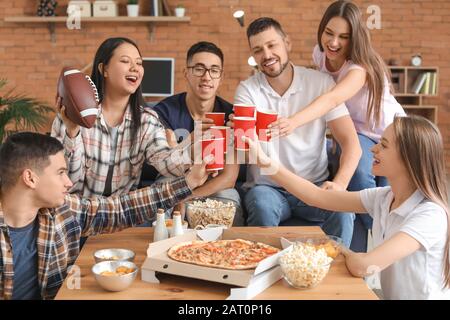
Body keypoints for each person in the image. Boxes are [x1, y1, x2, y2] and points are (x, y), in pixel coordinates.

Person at [244, 115, 450, 300]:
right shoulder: (384, 198)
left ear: (409, 159)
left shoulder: (430, 215)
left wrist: (339, 248)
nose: (373, 149)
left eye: (384, 145)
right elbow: (316, 197)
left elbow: (364, 267)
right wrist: (264, 162)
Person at [0, 132, 212, 300]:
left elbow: (121, 208)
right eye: (60, 173)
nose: (69, 182)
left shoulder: (63, 211)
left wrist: (188, 182)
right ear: (30, 178)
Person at [268, 1, 406, 250]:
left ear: (355, 39)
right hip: (359, 130)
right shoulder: (319, 54)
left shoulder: (359, 68)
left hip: (389, 131)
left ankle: (386, 239)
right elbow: (320, 87)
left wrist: (294, 121)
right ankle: (370, 245)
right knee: (363, 177)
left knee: (380, 186)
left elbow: (331, 98)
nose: (334, 43)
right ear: (321, 30)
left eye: (344, 37)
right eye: (329, 33)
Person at [232, 17, 362, 247]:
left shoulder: (321, 83)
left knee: (342, 211)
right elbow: (245, 146)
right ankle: (263, 275)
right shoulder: (248, 90)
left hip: (313, 187)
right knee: (261, 204)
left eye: (272, 45)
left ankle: (332, 277)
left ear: (287, 44)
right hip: (268, 189)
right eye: (258, 50)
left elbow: (351, 144)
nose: (267, 55)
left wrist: (340, 185)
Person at [51, 37, 190, 198]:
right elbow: (66, 180)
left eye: (139, 63)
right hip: (77, 213)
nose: (135, 68)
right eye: (125, 61)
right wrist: (72, 131)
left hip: (123, 216)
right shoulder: (72, 115)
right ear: (104, 69)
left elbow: (169, 165)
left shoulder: (147, 121)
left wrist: (197, 147)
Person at [152, 41, 243, 225]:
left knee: (229, 199)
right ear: (186, 73)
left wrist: (188, 196)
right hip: (173, 181)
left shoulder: (231, 115)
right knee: (161, 195)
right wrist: (192, 138)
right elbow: (167, 163)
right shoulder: (165, 111)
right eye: (199, 69)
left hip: (214, 187)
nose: (207, 77)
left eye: (214, 70)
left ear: (221, 76)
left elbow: (229, 178)